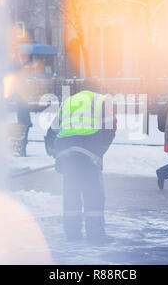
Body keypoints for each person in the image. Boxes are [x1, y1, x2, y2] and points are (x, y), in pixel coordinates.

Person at [45, 90, 116, 244]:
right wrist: (101, 149)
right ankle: (95, 235)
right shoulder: (101, 100)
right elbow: (110, 127)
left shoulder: (68, 102)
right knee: (93, 194)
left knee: (71, 193)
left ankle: (72, 234)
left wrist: (54, 152)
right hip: (89, 151)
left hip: (66, 154)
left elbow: (52, 131)